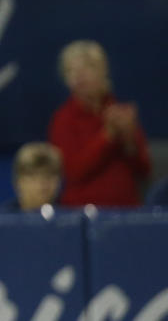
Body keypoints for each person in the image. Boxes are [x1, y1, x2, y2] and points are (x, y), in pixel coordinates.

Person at [48, 40, 151, 208]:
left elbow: (144, 170)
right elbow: (72, 171)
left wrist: (129, 139)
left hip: (126, 210)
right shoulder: (63, 119)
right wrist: (107, 136)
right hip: (81, 213)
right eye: (70, 71)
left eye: (86, 68)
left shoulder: (118, 113)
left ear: (103, 70)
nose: (78, 76)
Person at [6, 142, 63, 211]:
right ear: (19, 181)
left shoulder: (71, 219)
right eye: (34, 177)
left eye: (49, 176)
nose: (43, 183)